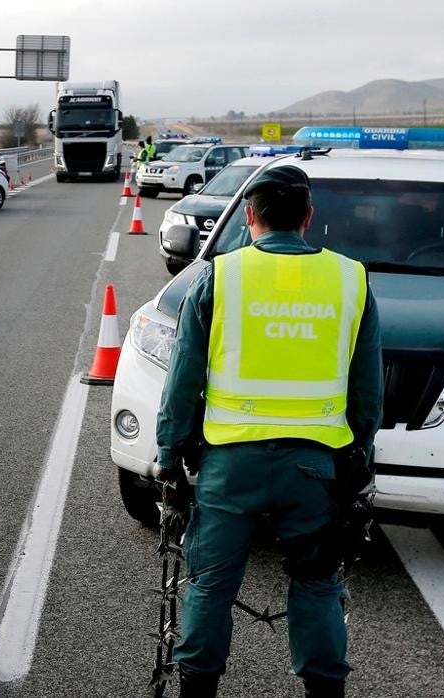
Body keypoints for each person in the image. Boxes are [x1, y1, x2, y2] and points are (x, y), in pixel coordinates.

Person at [155, 165, 382, 698]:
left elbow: (184, 376)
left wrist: (169, 451)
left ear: (249, 216)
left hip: (230, 464)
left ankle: (198, 689)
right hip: (315, 466)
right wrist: (360, 453)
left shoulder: (220, 275)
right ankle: (324, 690)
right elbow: (368, 387)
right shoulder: (351, 278)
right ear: (308, 217)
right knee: (317, 583)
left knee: (210, 583)